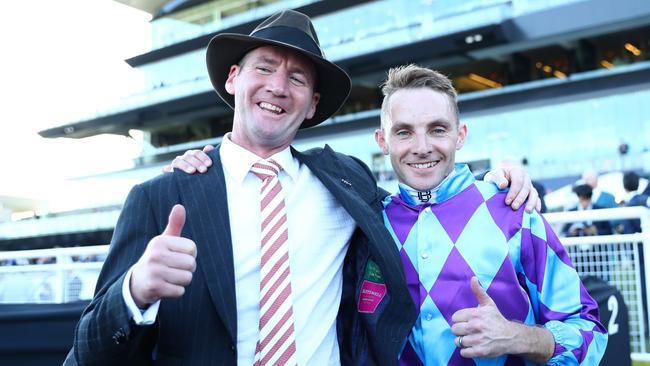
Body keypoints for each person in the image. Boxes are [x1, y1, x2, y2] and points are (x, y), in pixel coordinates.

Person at [67, 10, 537, 365]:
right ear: (234, 79)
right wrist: (134, 291)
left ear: (311, 105)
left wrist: (493, 181)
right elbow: (86, 353)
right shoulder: (162, 195)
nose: (278, 86)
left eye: (296, 78)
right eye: (264, 68)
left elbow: (423, 189)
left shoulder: (347, 181)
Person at [170, 64, 605, 365]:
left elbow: (591, 333)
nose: (421, 146)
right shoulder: (363, 219)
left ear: (461, 135)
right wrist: (212, 163)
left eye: (437, 129)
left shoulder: (513, 210)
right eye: (404, 132)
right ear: (382, 140)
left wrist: (520, 338)